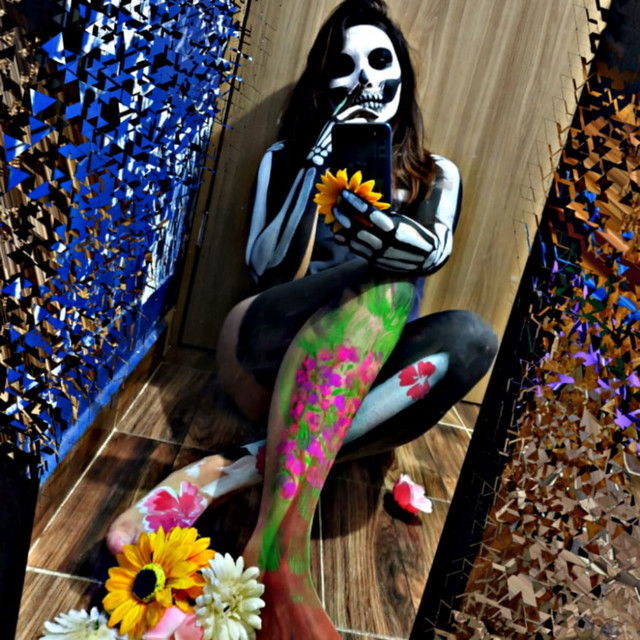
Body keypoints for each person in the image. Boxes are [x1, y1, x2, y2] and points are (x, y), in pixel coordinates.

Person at [107, 1, 498, 636]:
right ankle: (280, 554)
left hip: (354, 387)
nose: (365, 79)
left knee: (470, 338)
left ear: (402, 76)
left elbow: (431, 253)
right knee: (383, 280)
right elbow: (266, 266)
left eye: (380, 61)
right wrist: (317, 165)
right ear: (323, 84)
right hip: (266, 352)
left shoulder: (436, 176)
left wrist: (381, 230)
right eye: (344, 66)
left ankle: (229, 471)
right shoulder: (285, 158)